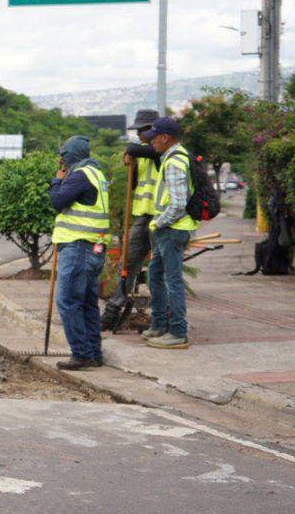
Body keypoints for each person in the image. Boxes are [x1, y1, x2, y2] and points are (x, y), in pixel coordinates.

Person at [48, 135, 110, 370]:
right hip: (94, 246)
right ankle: (93, 353)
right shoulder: (97, 173)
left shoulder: (81, 174)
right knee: (86, 303)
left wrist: (56, 180)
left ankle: (82, 354)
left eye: (63, 154)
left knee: (67, 301)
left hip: (79, 246)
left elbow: (57, 201)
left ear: (71, 155)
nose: (61, 159)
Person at [101, 109, 159, 329]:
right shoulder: (143, 153)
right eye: (137, 131)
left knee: (159, 269)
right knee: (127, 263)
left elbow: (140, 149)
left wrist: (131, 152)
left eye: (142, 130)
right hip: (142, 216)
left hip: (161, 217)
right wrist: (131, 166)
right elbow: (135, 184)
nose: (138, 135)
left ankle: (162, 316)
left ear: (154, 129)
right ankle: (111, 312)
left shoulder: (163, 150)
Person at [143, 117, 197, 349]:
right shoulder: (172, 158)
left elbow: (177, 204)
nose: (151, 142)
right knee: (154, 275)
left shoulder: (174, 162)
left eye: (154, 137)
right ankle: (159, 325)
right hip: (169, 229)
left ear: (165, 137)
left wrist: (158, 223)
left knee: (172, 281)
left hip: (172, 229)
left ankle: (177, 332)